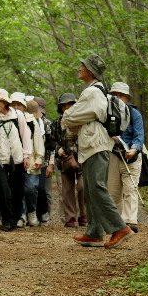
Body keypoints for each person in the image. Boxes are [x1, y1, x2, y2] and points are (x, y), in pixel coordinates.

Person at [61, 54, 134, 249]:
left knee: (97, 188)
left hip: (96, 145)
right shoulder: (93, 91)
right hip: (92, 144)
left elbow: (73, 117)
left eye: (82, 66)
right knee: (91, 190)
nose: (79, 68)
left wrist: (68, 116)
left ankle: (120, 228)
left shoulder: (92, 93)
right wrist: (72, 118)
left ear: (90, 71)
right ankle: (94, 232)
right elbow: (81, 117)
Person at [0, 89, 32, 231]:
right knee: (3, 189)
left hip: (17, 157)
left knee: (17, 191)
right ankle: (6, 220)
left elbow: (25, 135)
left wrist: (26, 155)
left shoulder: (17, 115)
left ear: (4, 102)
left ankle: (14, 219)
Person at [107, 82, 144, 233]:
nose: (116, 98)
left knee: (130, 189)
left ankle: (130, 221)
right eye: (114, 95)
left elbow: (139, 135)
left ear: (126, 98)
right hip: (114, 155)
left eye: (120, 96)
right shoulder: (109, 115)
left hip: (132, 157)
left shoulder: (135, 114)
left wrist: (134, 149)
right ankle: (117, 222)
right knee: (113, 190)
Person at [50, 93, 87, 228]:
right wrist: (58, 149)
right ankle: (70, 217)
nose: (67, 107)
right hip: (64, 160)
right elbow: (50, 141)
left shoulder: (82, 120)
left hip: (82, 158)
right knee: (67, 190)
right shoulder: (56, 123)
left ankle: (84, 214)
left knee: (83, 186)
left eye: (70, 104)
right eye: (64, 105)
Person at [10, 93, 44, 227]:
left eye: (19, 105)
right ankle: (21, 215)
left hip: (31, 159)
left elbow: (37, 140)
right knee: (17, 189)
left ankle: (32, 211)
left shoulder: (31, 120)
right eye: (13, 104)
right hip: (15, 160)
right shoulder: (8, 119)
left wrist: (39, 157)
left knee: (31, 188)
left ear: (24, 107)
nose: (16, 107)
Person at [32, 96, 54, 224]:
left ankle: (46, 215)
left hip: (45, 161)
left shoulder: (47, 123)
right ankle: (34, 214)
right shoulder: (27, 121)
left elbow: (52, 146)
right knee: (33, 188)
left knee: (44, 189)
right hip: (31, 161)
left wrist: (51, 164)